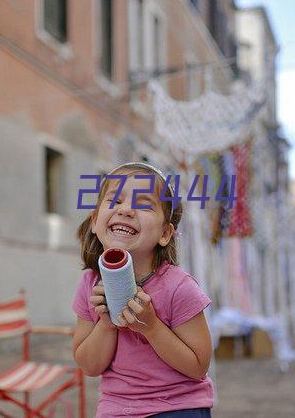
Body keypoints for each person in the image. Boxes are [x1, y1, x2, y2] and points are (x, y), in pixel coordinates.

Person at [72, 162, 214, 418]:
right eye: (115, 200)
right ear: (95, 221)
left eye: (144, 204)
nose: (126, 210)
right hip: (116, 409)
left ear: (165, 233)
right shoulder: (89, 284)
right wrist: (106, 323)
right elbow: (89, 366)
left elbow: (198, 367)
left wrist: (152, 327)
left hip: (178, 407)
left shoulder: (178, 288)